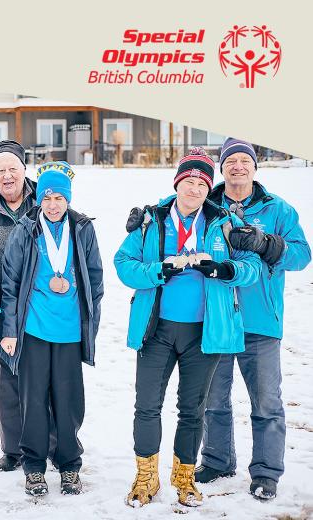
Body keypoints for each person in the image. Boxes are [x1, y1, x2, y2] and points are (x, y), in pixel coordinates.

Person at [114, 148, 261, 508]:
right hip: (158, 330)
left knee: (192, 410)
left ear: (208, 187)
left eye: (201, 183)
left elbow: (252, 265)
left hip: (203, 332)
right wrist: (156, 271)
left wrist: (227, 270)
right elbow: (123, 262)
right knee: (146, 406)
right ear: (177, 183)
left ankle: (184, 478)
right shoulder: (152, 220)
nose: (194, 189)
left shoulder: (224, 222)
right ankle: (146, 477)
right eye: (188, 181)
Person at [196, 138, 311, 500]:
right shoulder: (206, 206)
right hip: (214, 320)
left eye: (245, 160)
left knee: (266, 403)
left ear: (255, 167)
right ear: (222, 167)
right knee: (213, 399)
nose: (238, 167)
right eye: (231, 161)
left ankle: (265, 472)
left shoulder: (278, 209)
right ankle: (216, 460)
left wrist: (268, 244)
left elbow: (302, 256)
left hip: (260, 321)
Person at [0, 162, 103, 496]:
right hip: (34, 330)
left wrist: (90, 320)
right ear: (40, 199)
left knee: (69, 402)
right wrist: (10, 330)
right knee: (32, 401)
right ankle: (34, 467)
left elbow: (95, 277)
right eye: (48, 197)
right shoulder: (26, 229)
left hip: (70, 331)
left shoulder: (82, 229)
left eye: (60, 197)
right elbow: (10, 284)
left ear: (68, 199)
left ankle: (69, 465)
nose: (54, 204)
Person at [0, 140, 52, 473]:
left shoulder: (46, 200)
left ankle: (52, 446)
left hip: (43, 307)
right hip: (2, 309)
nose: (7, 176)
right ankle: (14, 450)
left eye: (12, 169)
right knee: (7, 381)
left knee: (46, 381)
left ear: (24, 170)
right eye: (0, 170)